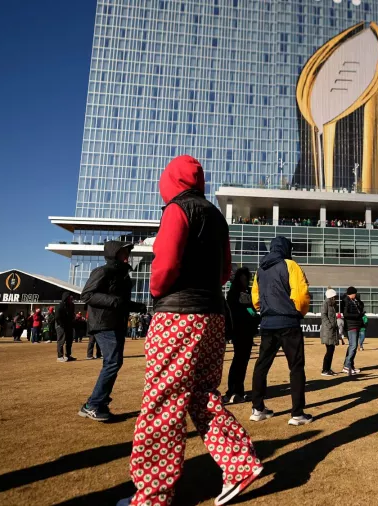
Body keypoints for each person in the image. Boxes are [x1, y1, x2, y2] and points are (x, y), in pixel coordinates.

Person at [123, 155, 262, 506]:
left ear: (170, 181)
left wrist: (157, 291)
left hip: (178, 314)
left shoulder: (176, 209)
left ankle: (152, 495)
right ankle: (240, 463)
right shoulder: (217, 217)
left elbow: (165, 264)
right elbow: (225, 271)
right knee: (203, 395)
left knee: (162, 402)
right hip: (213, 316)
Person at [77, 240, 146, 422]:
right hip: (104, 323)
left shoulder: (123, 275)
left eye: (127, 252)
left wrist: (138, 306)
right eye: (124, 252)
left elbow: (120, 302)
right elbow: (87, 295)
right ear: (115, 254)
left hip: (116, 323)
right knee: (112, 362)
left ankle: (97, 403)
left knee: (114, 362)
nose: (127, 255)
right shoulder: (103, 271)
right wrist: (115, 302)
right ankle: (93, 405)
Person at [250, 236, 313, 425]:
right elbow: (301, 293)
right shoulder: (290, 264)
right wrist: (298, 312)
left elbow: (255, 297)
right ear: (286, 249)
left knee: (261, 365)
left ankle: (257, 409)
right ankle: (297, 414)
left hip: (268, 323)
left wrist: (263, 311)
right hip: (288, 322)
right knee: (296, 367)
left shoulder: (261, 269)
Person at [224, 267, 260, 404]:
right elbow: (248, 310)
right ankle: (234, 391)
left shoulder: (239, 293)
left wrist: (254, 317)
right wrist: (255, 317)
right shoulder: (238, 293)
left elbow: (249, 310)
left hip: (243, 331)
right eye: (245, 278)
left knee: (241, 362)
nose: (247, 281)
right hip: (241, 331)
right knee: (239, 361)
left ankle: (238, 390)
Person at [341, 286, 366, 375]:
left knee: (353, 347)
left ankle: (350, 366)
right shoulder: (346, 301)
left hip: (356, 325)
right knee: (353, 346)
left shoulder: (354, 301)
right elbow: (346, 314)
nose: (356, 295)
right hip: (351, 326)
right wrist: (358, 316)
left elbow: (361, 306)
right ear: (352, 293)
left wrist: (358, 302)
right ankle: (347, 366)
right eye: (355, 293)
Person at [320, 289, 340, 376]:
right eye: (334, 297)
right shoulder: (326, 303)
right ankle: (325, 370)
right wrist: (330, 325)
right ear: (331, 296)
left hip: (332, 331)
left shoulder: (332, 305)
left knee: (331, 350)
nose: (336, 298)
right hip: (328, 331)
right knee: (329, 350)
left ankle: (327, 368)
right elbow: (323, 315)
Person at [55, 292, 76, 362]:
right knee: (61, 341)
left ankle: (68, 355)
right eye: (70, 297)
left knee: (69, 341)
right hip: (61, 326)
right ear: (66, 298)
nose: (71, 299)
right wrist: (61, 324)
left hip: (69, 325)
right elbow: (57, 317)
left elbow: (72, 315)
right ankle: (60, 356)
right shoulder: (60, 306)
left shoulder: (72, 305)